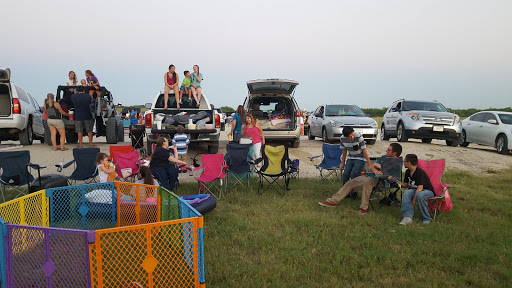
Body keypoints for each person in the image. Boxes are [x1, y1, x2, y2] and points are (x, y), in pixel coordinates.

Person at [318, 143, 403, 215]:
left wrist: (382, 169)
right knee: (351, 182)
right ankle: (332, 201)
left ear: (394, 153)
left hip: (383, 182)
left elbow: (393, 179)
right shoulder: (384, 157)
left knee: (367, 182)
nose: (386, 151)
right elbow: (372, 166)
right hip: (371, 177)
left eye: (388, 150)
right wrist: (375, 171)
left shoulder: (397, 163)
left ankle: (363, 208)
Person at [399, 154, 435, 225]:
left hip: (427, 191)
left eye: (404, 161)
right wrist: (398, 182)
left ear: (409, 163)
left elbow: (420, 188)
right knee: (406, 193)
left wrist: (413, 200)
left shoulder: (419, 172)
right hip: (415, 190)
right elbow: (406, 184)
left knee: (420, 195)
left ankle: (426, 218)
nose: (403, 163)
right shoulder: (407, 172)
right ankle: (407, 217)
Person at [339, 126, 372, 199]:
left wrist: (369, 165)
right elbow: (344, 151)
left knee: (354, 174)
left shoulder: (359, 137)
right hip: (351, 157)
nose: (352, 137)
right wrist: (343, 163)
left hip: (360, 158)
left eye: (352, 135)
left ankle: (354, 194)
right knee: (346, 174)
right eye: (350, 137)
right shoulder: (342, 139)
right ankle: (345, 193)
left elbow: (365, 152)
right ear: (345, 136)